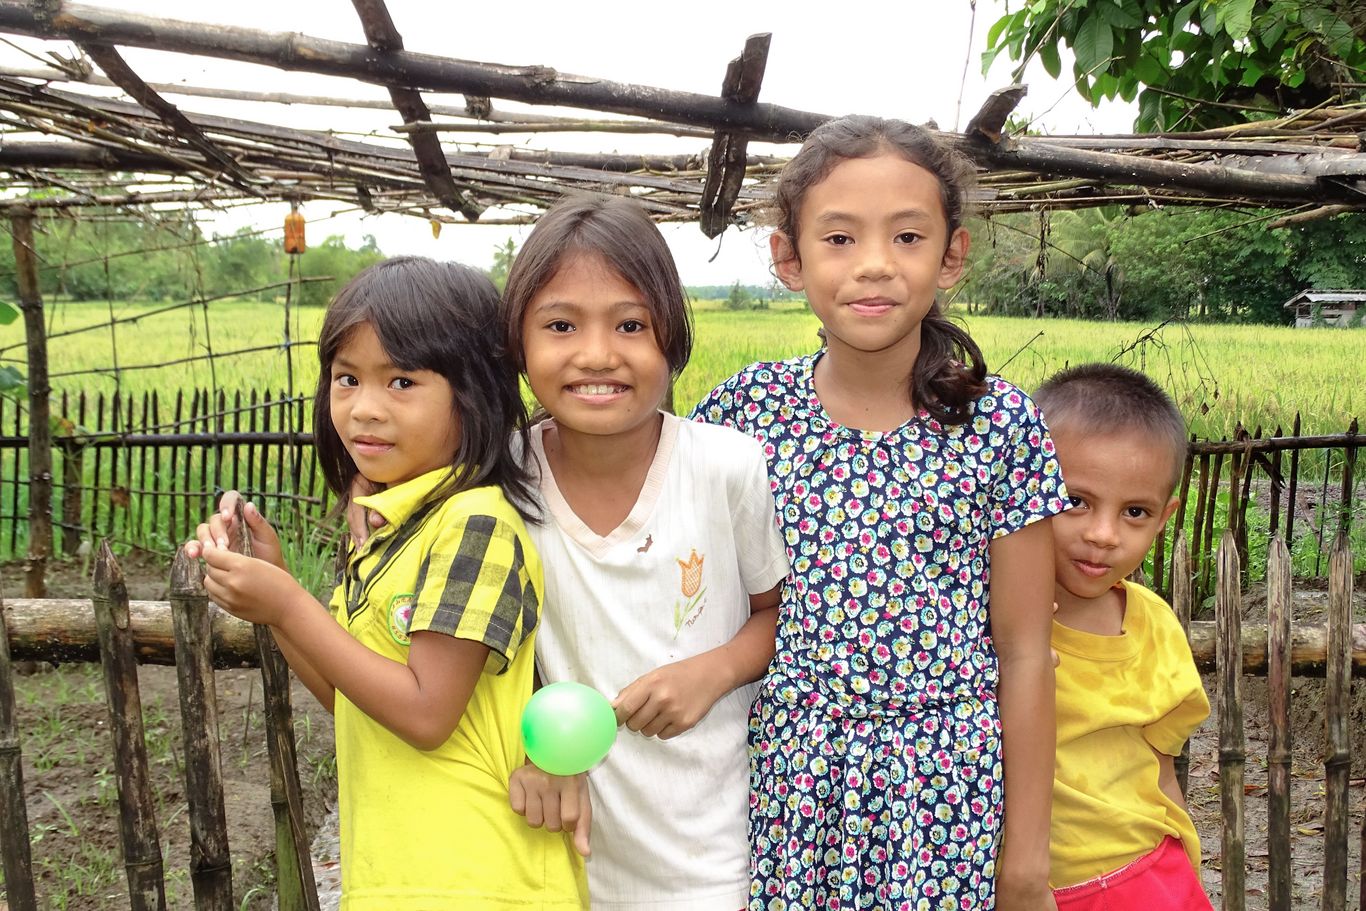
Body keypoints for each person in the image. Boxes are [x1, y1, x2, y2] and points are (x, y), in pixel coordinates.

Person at [691, 114, 1066, 910]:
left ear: (950, 256)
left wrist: (1025, 860)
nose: (873, 267)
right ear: (788, 259)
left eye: (906, 237)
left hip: (946, 795)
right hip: (785, 786)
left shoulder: (1000, 425)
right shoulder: (741, 414)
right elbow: (643, 507)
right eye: (839, 239)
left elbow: (1028, 650)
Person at [184, 257, 587, 909]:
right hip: (402, 874)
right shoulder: (388, 532)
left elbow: (426, 713)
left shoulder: (474, 523)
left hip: (482, 877)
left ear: (475, 392)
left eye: (401, 380)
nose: (364, 408)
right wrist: (280, 597)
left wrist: (287, 601)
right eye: (347, 378)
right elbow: (353, 701)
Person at [501, 194, 791, 911]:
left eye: (631, 324)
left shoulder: (727, 466)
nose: (598, 353)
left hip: (706, 855)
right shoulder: (501, 480)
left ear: (672, 338)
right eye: (562, 324)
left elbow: (777, 614)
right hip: (551, 845)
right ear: (518, 342)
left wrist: (713, 669)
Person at [1032, 363, 1212, 911]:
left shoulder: (1154, 625)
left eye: (1135, 512)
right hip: (1024, 887)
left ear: (1164, 519)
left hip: (1146, 875)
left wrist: (1185, 877)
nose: (1103, 535)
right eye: (1076, 501)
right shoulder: (980, 615)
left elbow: (1160, 766)